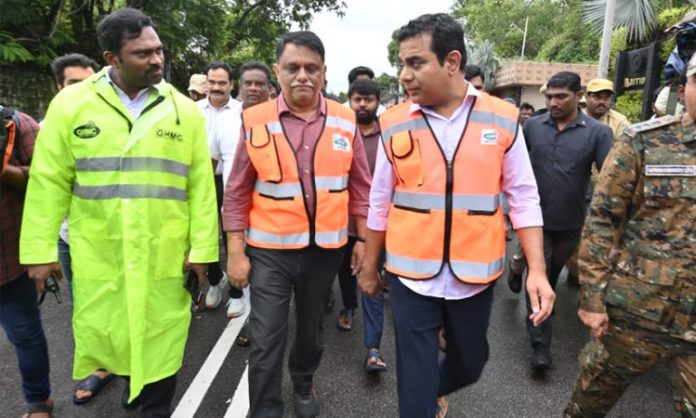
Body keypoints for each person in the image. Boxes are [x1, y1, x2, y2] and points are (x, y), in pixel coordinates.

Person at [19, 8, 219, 417]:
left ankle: (150, 405)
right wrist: (39, 251)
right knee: (114, 338)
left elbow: (200, 187)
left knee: (161, 344)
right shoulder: (72, 105)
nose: (157, 60)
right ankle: (133, 389)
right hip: (100, 251)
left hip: (163, 255)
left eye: (158, 50)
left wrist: (203, 249)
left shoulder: (183, 110)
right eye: (142, 53)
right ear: (112, 58)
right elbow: (48, 180)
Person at [358, 13, 554, 418]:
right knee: (414, 389)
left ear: (451, 61)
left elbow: (523, 196)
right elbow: (379, 200)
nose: (404, 75)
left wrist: (537, 268)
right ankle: (422, 400)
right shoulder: (393, 123)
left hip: (474, 275)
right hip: (410, 278)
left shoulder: (501, 117)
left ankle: (436, 388)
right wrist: (369, 265)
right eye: (402, 64)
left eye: (415, 63)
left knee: (471, 363)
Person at [223, 30, 372, 418]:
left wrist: (362, 240)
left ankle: (303, 381)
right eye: (292, 68)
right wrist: (236, 252)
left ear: (324, 72)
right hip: (269, 251)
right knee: (265, 337)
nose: (302, 75)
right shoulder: (254, 120)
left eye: (311, 68)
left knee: (310, 332)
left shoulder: (344, 119)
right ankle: (265, 411)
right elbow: (237, 190)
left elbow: (361, 186)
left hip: (324, 252)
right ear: (278, 71)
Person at [564, 59, 696, 417]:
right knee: (589, 403)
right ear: (684, 90)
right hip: (636, 313)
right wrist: (591, 298)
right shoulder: (644, 142)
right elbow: (602, 221)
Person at [517, 71, 613, 371]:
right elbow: (515, 171)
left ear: (578, 95)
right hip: (534, 220)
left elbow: (611, 182)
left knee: (554, 271)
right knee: (540, 275)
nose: (553, 102)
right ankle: (540, 345)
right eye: (549, 97)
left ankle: (519, 270)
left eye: (561, 97)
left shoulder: (597, 132)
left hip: (571, 222)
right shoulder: (531, 127)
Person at [50, 52, 118, 405]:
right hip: (68, 237)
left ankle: (135, 367)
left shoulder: (114, 125)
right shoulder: (49, 128)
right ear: (58, 87)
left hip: (111, 234)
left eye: (92, 83)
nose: (84, 92)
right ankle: (101, 365)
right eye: (74, 84)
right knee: (84, 306)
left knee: (120, 301)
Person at [1, 105, 53, 418]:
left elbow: (46, 179)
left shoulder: (18, 125)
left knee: (25, 336)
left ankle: (38, 401)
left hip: (9, 260)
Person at [336, 78, 388, 372]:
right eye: (358, 99)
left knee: (372, 279)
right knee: (345, 271)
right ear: (350, 100)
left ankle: (373, 347)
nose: (363, 105)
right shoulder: (340, 129)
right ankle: (348, 306)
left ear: (377, 101)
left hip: (377, 222)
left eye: (368, 99)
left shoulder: (390, 132)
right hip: (342, 218)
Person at [197, 61, 246, 318]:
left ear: (231, 84)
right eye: (212, 82)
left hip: (229, 184)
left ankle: (237, 294)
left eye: (222, 83)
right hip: (199, 184)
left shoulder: (241, 112)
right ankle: (216, 280)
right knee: (206, 235)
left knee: (232, 237)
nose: (216, 87)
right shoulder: (191, 111)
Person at [231, 60, 272, 347]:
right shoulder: (225, 118)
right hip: (234, 207)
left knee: (264, 277)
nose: (254, 88)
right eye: (249, 83)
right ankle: (252, 319)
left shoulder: (277, 120)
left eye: (260, 84)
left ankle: (259, 320)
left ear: (270, 88)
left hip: (269, 216)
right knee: (241, 267)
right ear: (240, 86)